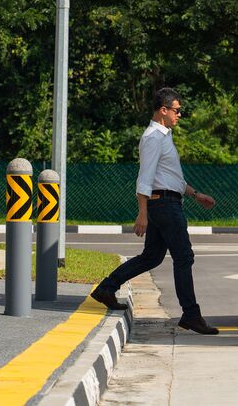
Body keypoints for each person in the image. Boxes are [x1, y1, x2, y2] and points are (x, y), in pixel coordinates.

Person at [91, 87, 219, 335]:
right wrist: (142, 213)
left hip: (167, 202)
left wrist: (195, 194)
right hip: (163, 206)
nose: (179, 115)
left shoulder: (164, 137)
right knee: (184, 257)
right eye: (177, 110)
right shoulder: (153, 138)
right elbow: (145, 178)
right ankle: (191, 314)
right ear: (163, 110)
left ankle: (107, 288)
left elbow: (171, 178)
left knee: (152, 257)